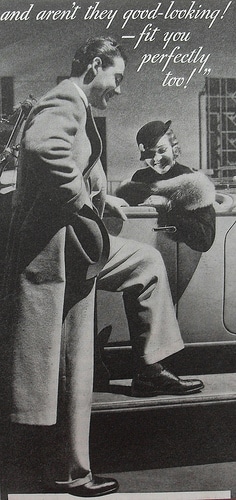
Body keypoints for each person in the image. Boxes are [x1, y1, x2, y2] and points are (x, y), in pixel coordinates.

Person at [0, 36, 127, 497]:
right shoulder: (64, 99)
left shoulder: (75, 104)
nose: (118, 89)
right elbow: (43, 148)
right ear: (95, 65)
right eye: (116, 77)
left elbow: (67, 158)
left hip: (66, 255)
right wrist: (83, 207)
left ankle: (73, 470)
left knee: (71, 364)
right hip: (53, 256)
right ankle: (70, 471)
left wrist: (99, 195)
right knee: (61, 366)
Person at [116, 120, 216, 252]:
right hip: (145, 250)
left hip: (180, 257)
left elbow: (205, 240)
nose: (156, 159)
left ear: (174, 148)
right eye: (149, 154)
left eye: (162, 150)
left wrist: (168, 206)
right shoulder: (139, 179)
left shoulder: (193, 181)